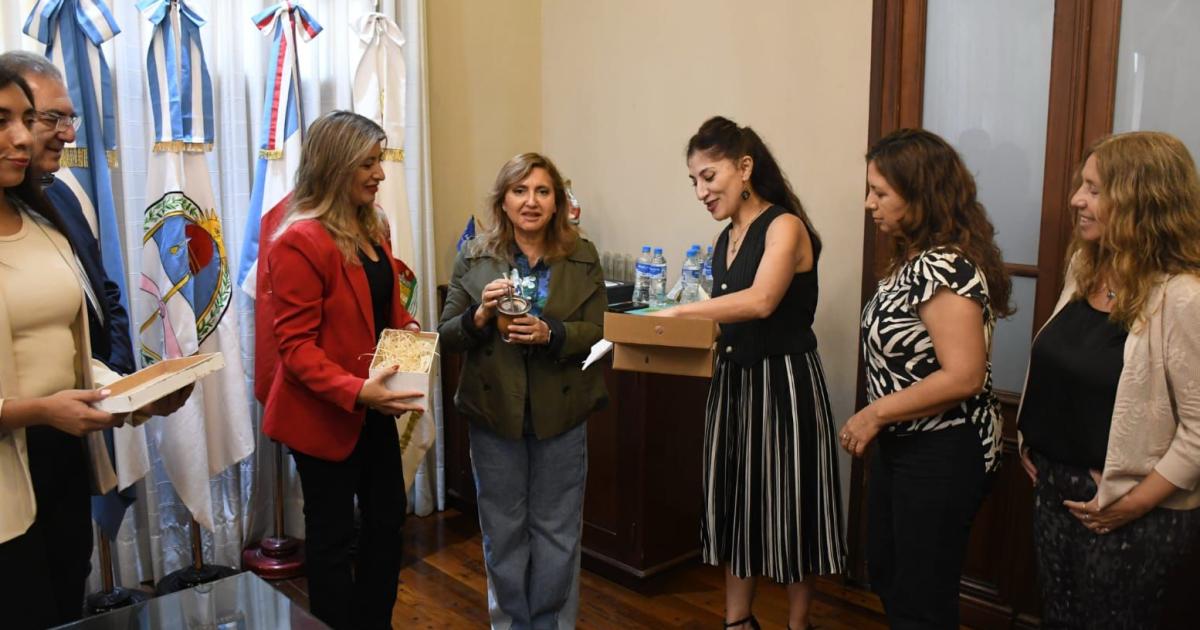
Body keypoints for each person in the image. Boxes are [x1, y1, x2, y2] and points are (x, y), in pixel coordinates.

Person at [0, 68, 187, 630]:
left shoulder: (45, 213)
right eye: (4, 121)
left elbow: (81, 330)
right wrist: (38, 411)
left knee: (64, 607)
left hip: (62, 460)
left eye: (27, 121)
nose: (25, 137)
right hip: (11, 470)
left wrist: (131, 394)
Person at [656, 116, 845, 630]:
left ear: (744, 168)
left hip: (783, 384)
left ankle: (797, 623)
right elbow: (723, 319)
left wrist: (675, 315)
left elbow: (762, 302)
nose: (701, 191)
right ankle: (737, 621)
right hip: (735, 382)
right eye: (693, 181)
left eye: (709, 176)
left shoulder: (785, 226)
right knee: (737, 504)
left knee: (791, 506)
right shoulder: (724, 240)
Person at [1016, 131, 1200, 628]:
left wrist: (1128, 505)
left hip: (1133, 512)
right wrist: (1031, 443)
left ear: (1145, 199)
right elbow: (1059, 365)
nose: (1077, 198)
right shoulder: (1084, 266)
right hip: (1056, 491)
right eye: (1082, 185)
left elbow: (1198, 433)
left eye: (1095, 189)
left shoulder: (1183, 297)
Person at [844, 128, 1012, 629]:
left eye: (881, 192)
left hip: (943, 449)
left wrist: (874, 413)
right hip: (905, 444)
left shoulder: (945, 267)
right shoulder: (912, 258)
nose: (869, 202)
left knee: (923, 598)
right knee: (893, 575)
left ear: (920, 196)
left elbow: (963, 376)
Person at [261, 110, 423, 630]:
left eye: (379, 162)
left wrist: (410, 329)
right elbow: (296, 347)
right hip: (324, 413)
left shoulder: (374, 224)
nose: (379, 174)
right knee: (330, 539)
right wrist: (357, 392)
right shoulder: (299, 240)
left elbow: (385, 308)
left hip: (375, 402)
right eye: (369, 163)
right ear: (336, 166)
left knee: (387, 522)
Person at [438, 152, 607, 629]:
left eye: (542, 191)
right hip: (494, 417)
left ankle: (553, 624)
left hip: (562, 414)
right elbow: (445, 334)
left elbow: (597, 329)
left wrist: (552, 333)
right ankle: (510, 624)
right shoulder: (474, 255)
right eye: (520, 191)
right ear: (504, 201)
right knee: (503, 533)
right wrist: (479, 316)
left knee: (557, 533)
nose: (530, 202)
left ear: (557, 202)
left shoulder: (582, 255)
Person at [0, 51, 134, 376]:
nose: (69, 135)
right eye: (49, 119)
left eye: (69, 119)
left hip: (87, 408)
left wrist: (118, 380)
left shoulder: (60, 196)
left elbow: (103, 293)